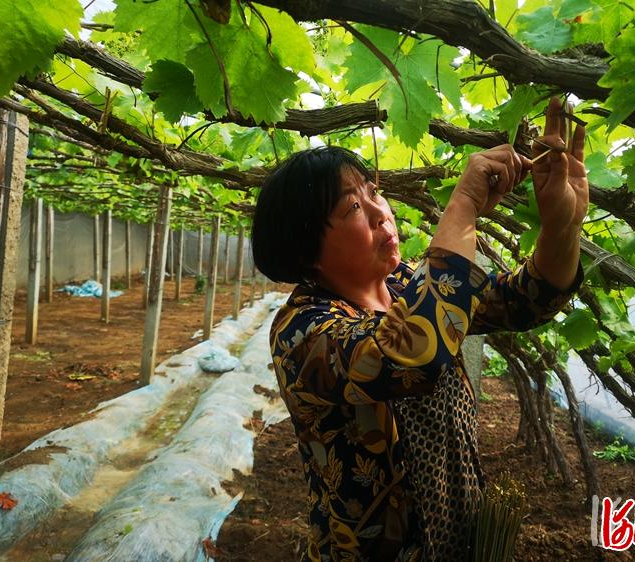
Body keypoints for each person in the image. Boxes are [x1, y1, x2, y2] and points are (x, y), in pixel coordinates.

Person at [251, 97, 588, 561]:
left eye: (373, 192)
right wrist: (465, 205)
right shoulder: (302, 333)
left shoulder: (406, 283)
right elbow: (413, 352)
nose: (379, 212)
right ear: (306, 247)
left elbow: (523, 301)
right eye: (352, 206)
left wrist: (562, 227)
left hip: (459, 535)